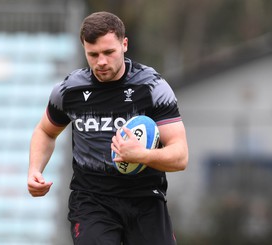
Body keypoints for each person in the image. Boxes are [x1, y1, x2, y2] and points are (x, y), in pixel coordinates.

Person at [27, 11, 188, 245]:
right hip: (92, 201)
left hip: (145, 200)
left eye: (108, 52)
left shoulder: (152, 88)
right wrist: (35, 170)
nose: (101, 62)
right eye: (93, 55)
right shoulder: (70, 91)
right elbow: (45, 131)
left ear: (124, 44)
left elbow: (180, 155)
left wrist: (141, 156)